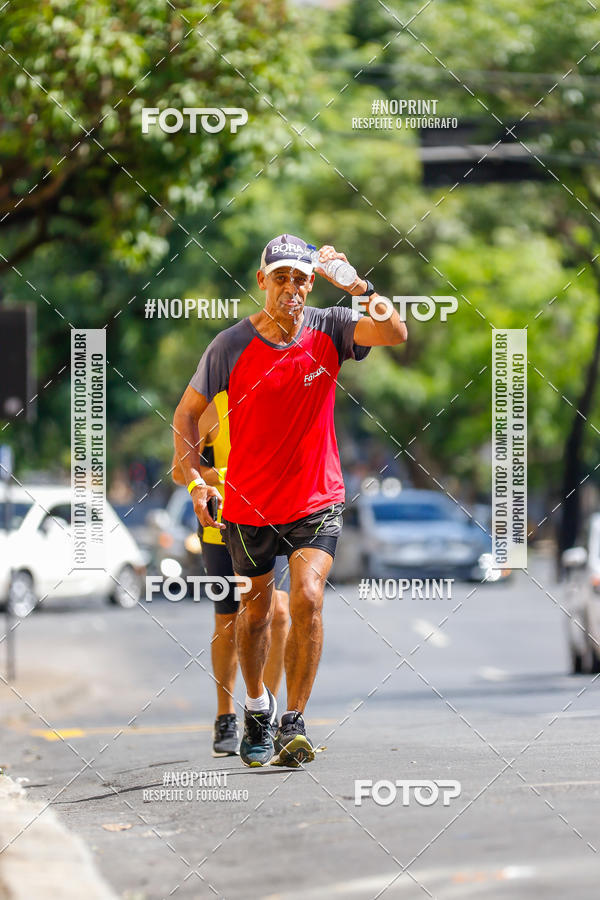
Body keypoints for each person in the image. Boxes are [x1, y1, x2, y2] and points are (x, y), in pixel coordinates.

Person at [173, 234, 406, 767]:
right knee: (254, 615)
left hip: (315, 498)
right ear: (262, 281)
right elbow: (185, 414)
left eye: (301, 278)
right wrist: (197, 481)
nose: (292, 288)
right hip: (248, 504)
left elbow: (395, 331)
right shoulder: (230, 345)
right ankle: (257, 705)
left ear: (311, 284)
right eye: (281, 277)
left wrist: (361, 287)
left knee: (307, 598)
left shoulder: (333, 327)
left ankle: (294, 720)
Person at [171, 390, 290, 757]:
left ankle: (264, 713)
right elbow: (178, 470)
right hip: (221, 528)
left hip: (271, 521)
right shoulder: (212, 405)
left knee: (278, 613)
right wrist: (221, 475)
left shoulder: (280, 395)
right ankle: (225, 715)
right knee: (228, 620)